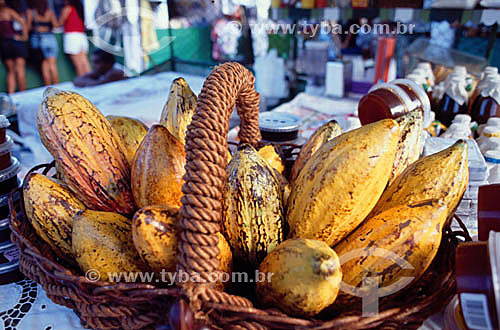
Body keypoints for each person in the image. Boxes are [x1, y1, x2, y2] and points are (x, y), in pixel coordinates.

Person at [28, 0, 59, 85]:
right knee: (52, 64)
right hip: (50, 38)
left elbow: (28, 27)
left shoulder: (31, 13)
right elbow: (56, 26)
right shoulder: (50, 12)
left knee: (44, 65)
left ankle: (48, 87)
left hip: (38, 39)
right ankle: (57, 87)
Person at [0, 0, 27, 93]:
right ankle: (23, 95)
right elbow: (22, 22)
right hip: (14, 42)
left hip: (4, 43)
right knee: (20, 69)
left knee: (10, 71)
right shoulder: (8, 11)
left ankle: (11, 96)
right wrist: (24, 36)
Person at [58, 0, 90, 76]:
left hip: (72, 37)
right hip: (82, 36)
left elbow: (59, 23)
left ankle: (83, 85)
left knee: (78, 65)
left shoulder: (67, 8)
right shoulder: (80, 8)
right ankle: (91, 84)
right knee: (84, 62)